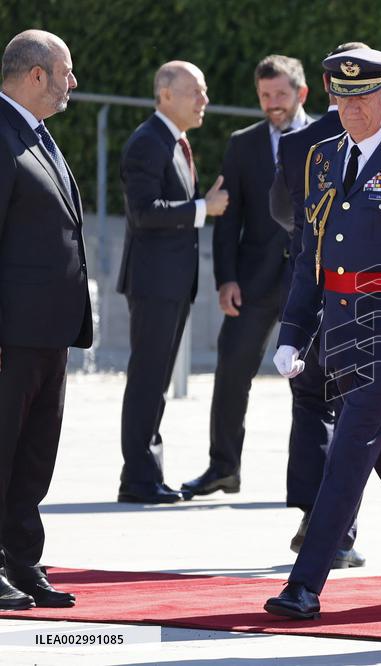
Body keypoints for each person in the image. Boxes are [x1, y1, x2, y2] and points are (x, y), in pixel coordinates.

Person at [263, 47, 381, 620]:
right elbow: (309, 256)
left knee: (347, 452)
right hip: (339, 328)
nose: (352, 108)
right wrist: (292, 332)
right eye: (342, 97)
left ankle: (306, 584)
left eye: (365, 97)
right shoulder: (320, 159)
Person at [181, 55, 313, 500]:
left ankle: (308, 484)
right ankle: (223, 469)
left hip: (308, 282)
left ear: (301, 93)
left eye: (280, 94)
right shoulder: (243, 143)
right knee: (231, 372)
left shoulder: (327, 138)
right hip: (251, 282)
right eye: (265, 96)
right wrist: (226, 279)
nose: (272, 103)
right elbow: (228, 218)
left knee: (309, 387)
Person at [267, 42, 370, 565]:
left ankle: (313, 517)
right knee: (357, 412)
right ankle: (339, 532)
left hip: (308, 290)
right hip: (365, 299)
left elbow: (283, 213)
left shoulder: (296, 142)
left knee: (310, 405)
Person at [0, 29, 90, 609]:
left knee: (33, 454)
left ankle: (21, 562)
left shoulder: (36, 134)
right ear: (37, 74)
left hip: (46, 333)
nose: (72, 82)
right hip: (10, 334)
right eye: (66, 71)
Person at [117, 61, 228, 504]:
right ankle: (139, 478)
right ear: (165, 94)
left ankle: (146, 473)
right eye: (195, 91)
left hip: (171, 284)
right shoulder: (148, 142)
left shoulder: (173, 140)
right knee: (147, 379)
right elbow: (143, 212)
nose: (205, 100)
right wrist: (204, 209)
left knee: (154, 380)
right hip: (154, 284)